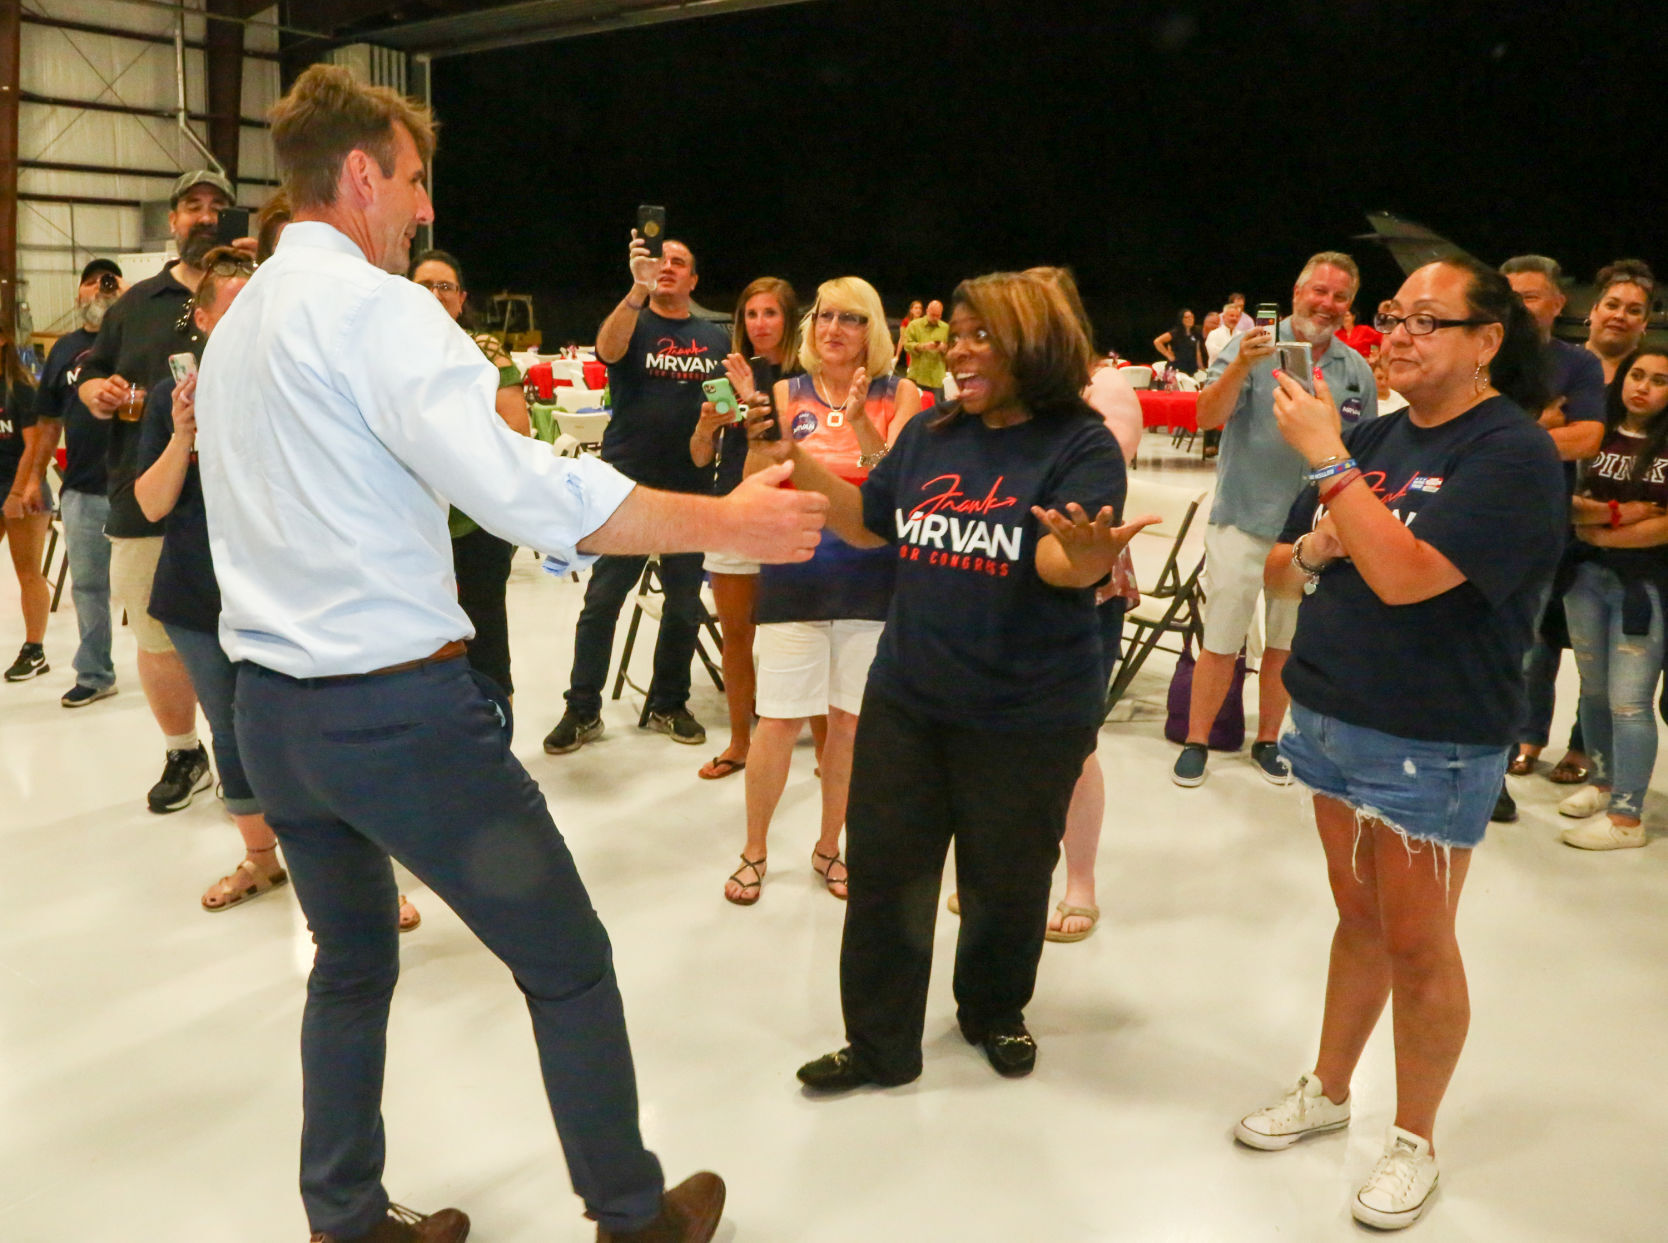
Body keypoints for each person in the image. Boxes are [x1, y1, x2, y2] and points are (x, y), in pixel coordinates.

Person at [196, 64, 824, 1242]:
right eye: (418, 182)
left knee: (348, 966)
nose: (426, 210)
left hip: (274, 712)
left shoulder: (240, 329)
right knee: (569, 965)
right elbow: (532, 493)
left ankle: (342, 1216)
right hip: (395, 716)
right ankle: (633, 1216)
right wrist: (725, 522)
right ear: (366, 172)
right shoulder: (379, 312)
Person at [1240, 257, 1564, 1231]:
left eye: (1429, 319)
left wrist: (1332, 467)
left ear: (1487, 339)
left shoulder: (1509, 454)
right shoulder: (1374, 437)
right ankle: (1331, 1085)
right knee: (1358, 915)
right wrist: (1316, 542)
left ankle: (1415, 1135)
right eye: (1396, 316)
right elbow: (1281, 570)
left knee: (1420, 942)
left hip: (1431, 738)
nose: (1403, 334)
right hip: (1331, 719)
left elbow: (1414, 575)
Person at [775, 270, 1149, 1091]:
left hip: (1027, 712)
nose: (959, 350)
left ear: (1034, 344)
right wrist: (791, 459)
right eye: (958, 333)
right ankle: (878, 1046)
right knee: (886, 879)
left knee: (1007, 881)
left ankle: (992, 1009)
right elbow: (867, 521)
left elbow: (1057, 557)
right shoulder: (932, 433)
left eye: (983, 335)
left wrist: (1084, 558)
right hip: (910, 698)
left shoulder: (1078, 443)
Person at [722, 277, 920, 906]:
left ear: (874, 331)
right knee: (777, 720)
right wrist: (759, 437)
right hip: (795, 573)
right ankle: (754, 850)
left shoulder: (905, 393)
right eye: (824, 316)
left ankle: (831, 845)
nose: (833, 328)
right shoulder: (784, 392)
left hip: (874, 579)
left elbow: (901, 488)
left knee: (850, 727)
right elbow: (760, 478)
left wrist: (863, 424)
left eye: (851, 318)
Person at [1175, 252, 1377, 788]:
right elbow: (1204, 418)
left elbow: (1364, 454)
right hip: (1243, 517)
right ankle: (1197, 740)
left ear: (1349, 307)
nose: (1326, 304)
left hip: (1309, 532)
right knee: (1222, 637)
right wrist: (1241, 363)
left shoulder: (1355, 371)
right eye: (1319, 292)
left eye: (1339, 297)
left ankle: (1268, 740)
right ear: (1296, 292)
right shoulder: (1253, 348)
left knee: (1286, 643)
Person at [76, 169, 240, 812]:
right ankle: (183, 752)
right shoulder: (134, 303)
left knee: (244, 633)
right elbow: (90, 376)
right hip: (145, 494)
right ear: (171, 221)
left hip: (238, 501)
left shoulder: (257, 291)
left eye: (217, 209)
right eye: (192, 207)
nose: (204, 217)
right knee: (155, 634)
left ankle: (241, 751)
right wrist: (97, 392)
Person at [543, 233, 731, 755]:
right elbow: (606, 350)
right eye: (660, 260)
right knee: (603, 600)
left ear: (694, 280)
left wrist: (719, 426)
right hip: (624, 489)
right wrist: (635, 289)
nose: (667, 267)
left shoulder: (715, 340)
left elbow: (721, 407)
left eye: (679, 262)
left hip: (690, 489)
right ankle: (582, 709)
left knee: (683, 606)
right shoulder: (634, 319)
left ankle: (669, 702)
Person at [1498, 255, 1606, 813]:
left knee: (1526, 648)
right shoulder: (1484, 356)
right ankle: (1492, 760)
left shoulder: (1578, 366)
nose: (1519, 306)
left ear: (1559, 303)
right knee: (1486, 650)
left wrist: (1504, 436)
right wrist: (1538, 429)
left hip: (1543, 531)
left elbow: (1587, 438)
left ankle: (1508, 758)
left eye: (1531, 296)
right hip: (1478, 522)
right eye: (1510, 295)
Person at [687, 276, 803, 781]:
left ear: (789, 319)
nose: (759, 324)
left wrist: (754, 396)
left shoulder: (806, 375)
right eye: (751, 314)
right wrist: (706, 427)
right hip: (732, 512)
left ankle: (821, 745)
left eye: (770, 313)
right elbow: (699, 458)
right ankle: (739, 741)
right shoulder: (729, 371)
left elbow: (787, 442)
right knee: (736, 635)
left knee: (802, 632)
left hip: (789, 512)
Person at [1558, 347, 1668, 850]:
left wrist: (1601, 526)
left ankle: (1628, 817)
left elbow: (1664, 526)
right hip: (1585, 577)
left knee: (1630, 702)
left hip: (1645, 588)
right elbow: (1568, 505)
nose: (1642, 387)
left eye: (1659, 380)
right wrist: (1622, 517)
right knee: (1594, 689)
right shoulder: (1594, 434)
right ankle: (1602, 784)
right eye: (1637, 375)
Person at [410, 247, 531, 700]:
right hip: (412, 525)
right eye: (425, 286)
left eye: (446, 286)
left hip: (476, 522)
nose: (436, 294)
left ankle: (497, 739)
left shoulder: (486, 351)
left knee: (486, 639)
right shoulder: (386, 353)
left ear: (462, 299)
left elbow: (516, 429)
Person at [29, 260, 124, 703]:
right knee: (87, 586)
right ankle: (94, 673)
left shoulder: (137, 339)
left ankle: (178, 672)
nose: (100, 290)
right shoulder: (65, 349)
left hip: (137, 486)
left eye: (109, 282)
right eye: (91, 283)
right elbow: (47, 423)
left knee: (159, 588)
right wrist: (33, 479)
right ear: (77, 295)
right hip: (83, 489)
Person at [1, 329, 49, 682]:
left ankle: (35, 649)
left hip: (22, 486)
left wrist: (17, 495)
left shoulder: (20, 388)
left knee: (28, 570)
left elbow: (33, 449)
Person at [1582, 259, 1655, 384]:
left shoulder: (1659, 374)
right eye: (1612, 305)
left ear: (1645, 322)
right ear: (1594, 310)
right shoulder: (1555, 362)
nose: (1620, 316)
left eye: (1633, 311)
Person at [899, 298, 950, 401]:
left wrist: (945, 348)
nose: (935, 318)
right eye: (932, 315)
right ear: (927, 311)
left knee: (935, 413)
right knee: (913, 409)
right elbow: (906, 345)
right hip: (917, 375)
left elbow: (953, 349)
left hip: (937, 378)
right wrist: (922, 346)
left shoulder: (946, 328)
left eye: (938, 315)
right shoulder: (914, 325)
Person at [1153, 309, 1203, 374]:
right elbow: (1157, 341)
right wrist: (1167, 354)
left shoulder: (1196, 333)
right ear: (1181, 319)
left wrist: (1201, 367)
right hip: (1176, 368)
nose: (1190, 319)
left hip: (1190, 368)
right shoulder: (1175, 333)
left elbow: (1197, 352)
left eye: (1192, 317)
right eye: (1187, 317)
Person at [1371, 350, 1409, 415]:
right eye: (1379, 378)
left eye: (1387, 378)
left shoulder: (1401, 399)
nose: (1383, 383)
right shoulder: (1367, 401)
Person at [894, 298, 923, 371]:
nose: (918, 310)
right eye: (916, 308)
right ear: (911, 310)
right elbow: (902, 338)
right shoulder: (906, 322)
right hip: (911, 353)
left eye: (920, 308)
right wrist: (897, 356)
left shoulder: (924, 322)